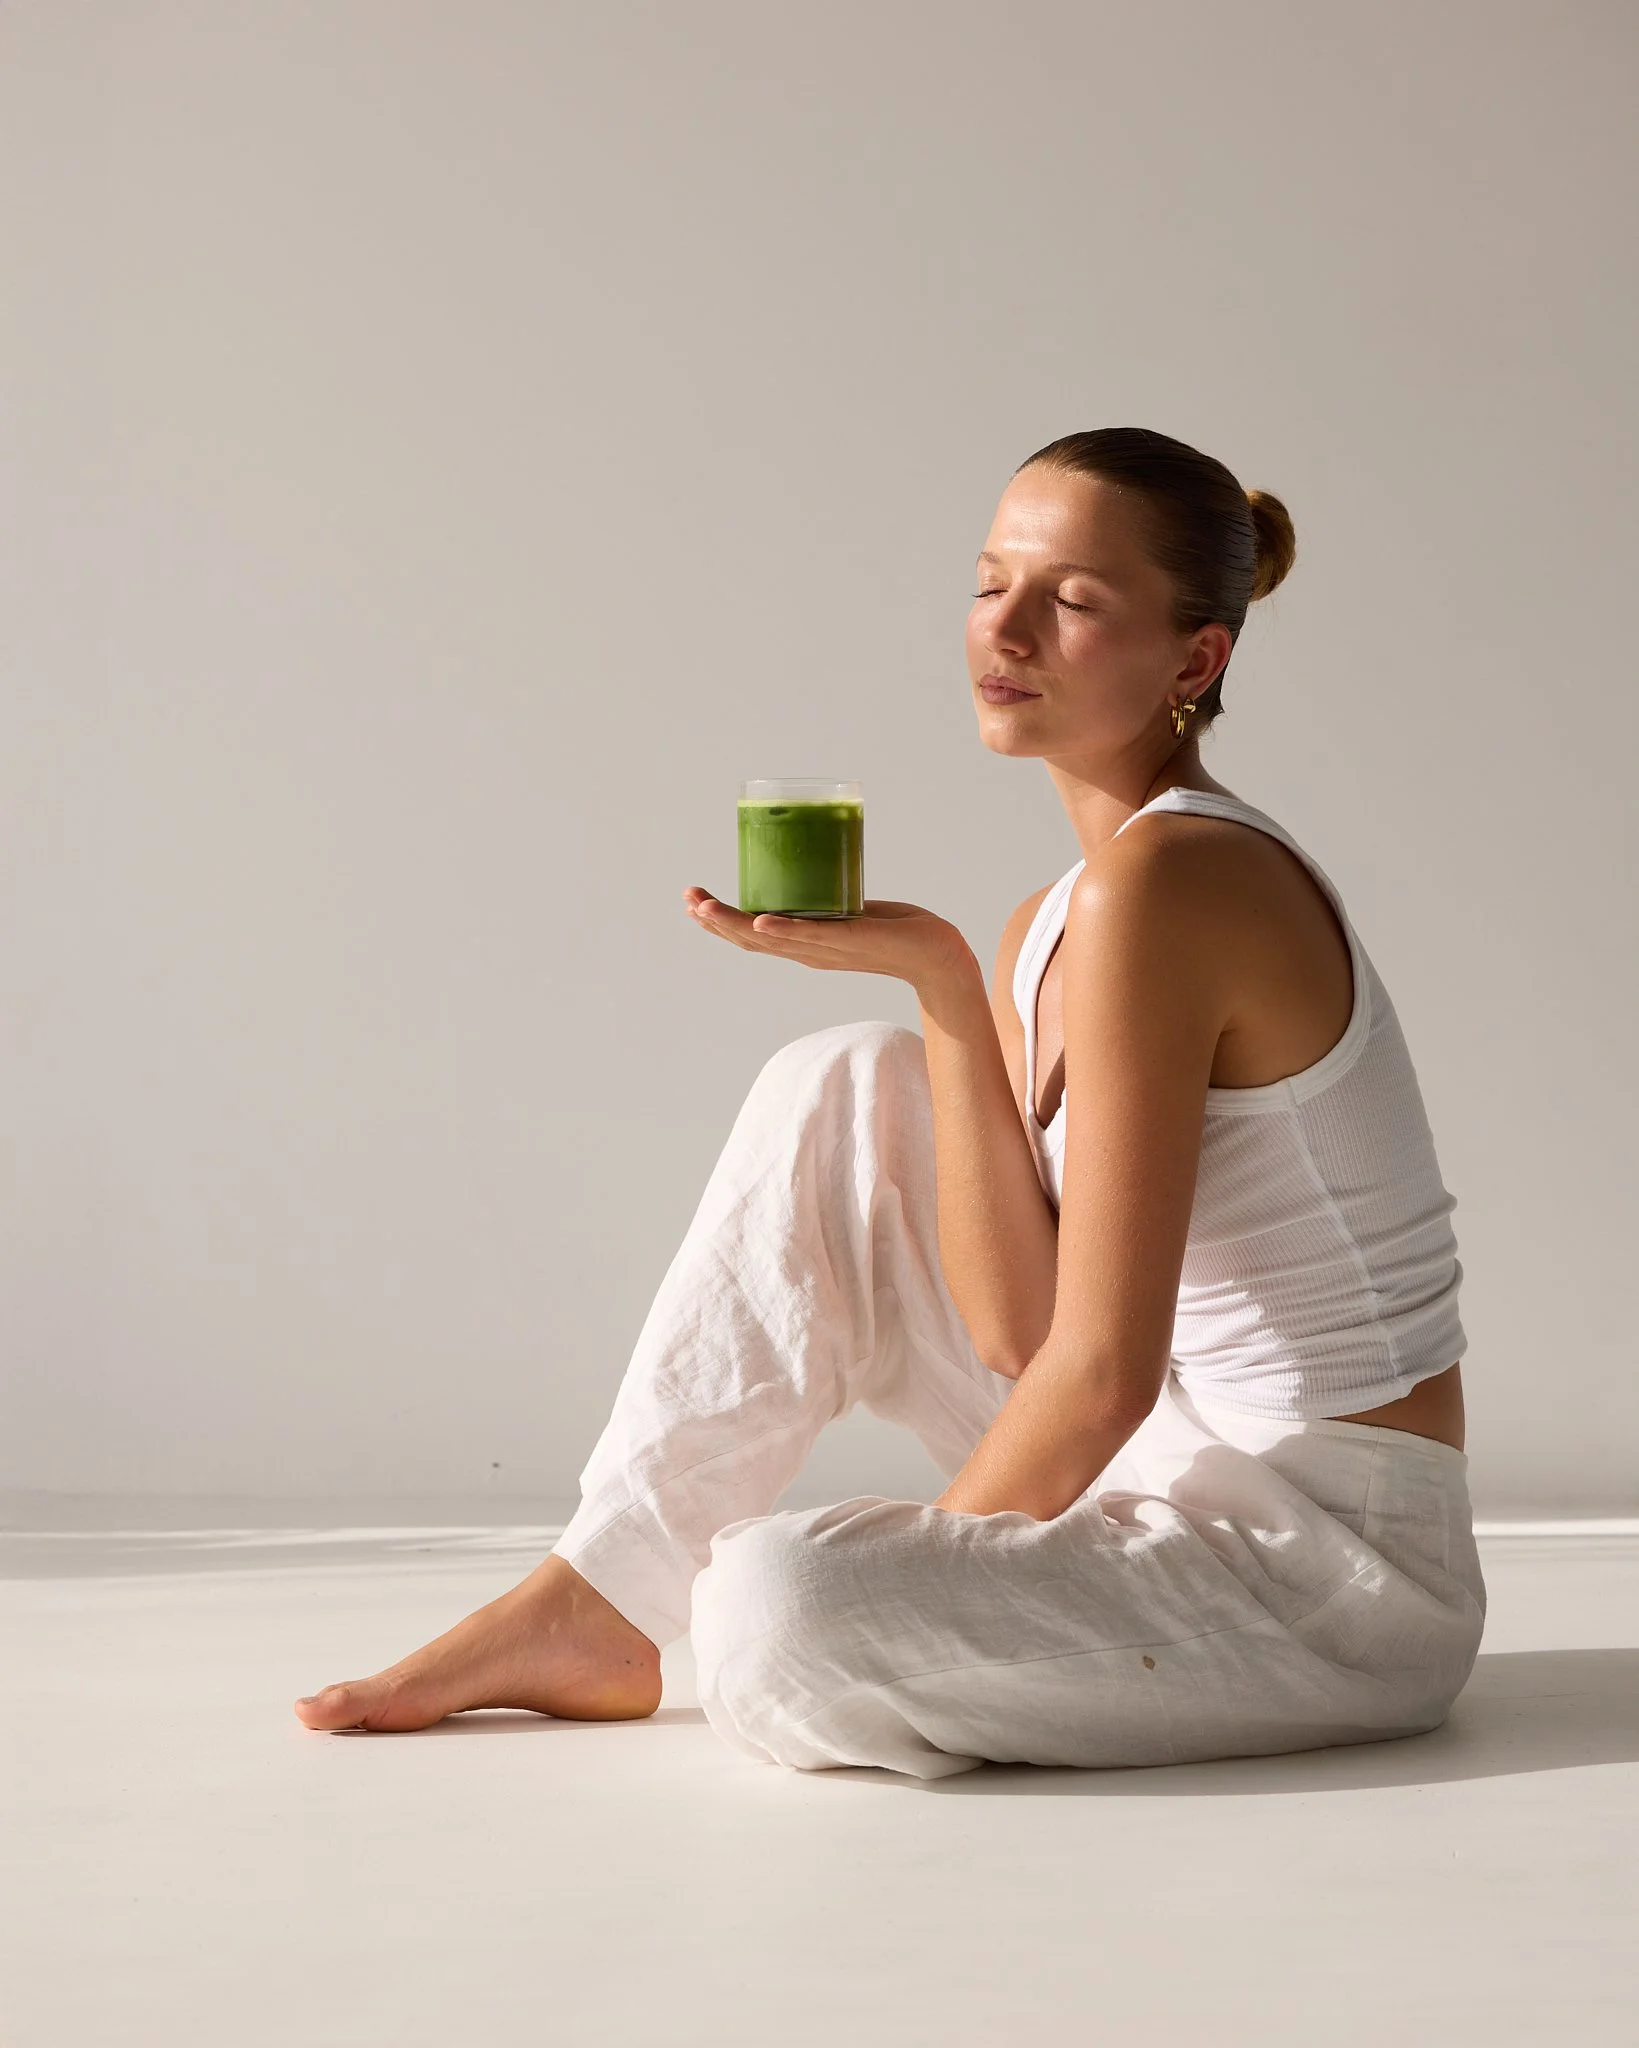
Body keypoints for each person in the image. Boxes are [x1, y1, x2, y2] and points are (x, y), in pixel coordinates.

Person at [295, 426, 1483, 1778]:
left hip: (1324, 1567)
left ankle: (803, 1605)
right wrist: (937, 979)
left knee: (776, 1605)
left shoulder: (1180, 883)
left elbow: (1096, 1377)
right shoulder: (1060, 915)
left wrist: (923, 1559)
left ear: (1194, 660)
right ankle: (597, 1601)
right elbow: (1024, 1332)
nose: (1009, 629)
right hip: (1161, 1465)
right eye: (991, 583)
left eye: (1075, 601)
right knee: (848, 1076)